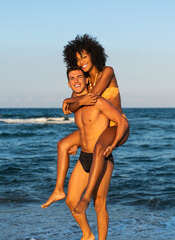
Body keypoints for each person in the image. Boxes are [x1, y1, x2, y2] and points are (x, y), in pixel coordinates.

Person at [42, 34, 129, 213]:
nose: (81, 61)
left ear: (93, 54)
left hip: (116, 126)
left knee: (98, 149)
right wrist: (79, 141)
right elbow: (79, 108)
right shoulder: (86, 81)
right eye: (77, 59)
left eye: (84, 56)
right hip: (99, 128)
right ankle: (58, 190)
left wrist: (67, 99)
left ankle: (87, 197)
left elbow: (92, 97)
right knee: (63, 144)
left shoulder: (107, 71)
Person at [64, 67, 128, 240]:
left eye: (79, 77)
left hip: (102, 157)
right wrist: (77, 144)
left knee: (99, 204)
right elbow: (87, 129)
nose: (76, 80)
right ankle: (88, 234)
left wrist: (113, 144)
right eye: (72, 78)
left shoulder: (98, 101)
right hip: (84, 156)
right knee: (70, 201)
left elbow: (121, 122)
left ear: (86, 80)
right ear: (68, 83)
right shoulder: (77, 106)